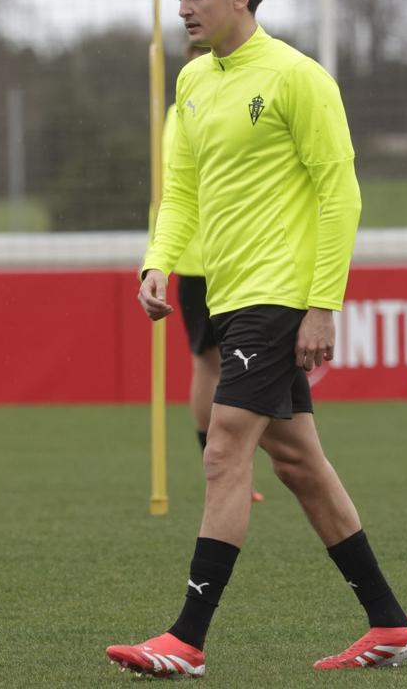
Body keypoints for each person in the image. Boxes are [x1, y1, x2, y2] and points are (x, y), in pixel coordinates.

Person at [106, 0, 407, 678]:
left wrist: (323, 305)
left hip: (278, 298)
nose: (181, 8)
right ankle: (392, 625)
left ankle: (186, 639)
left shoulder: (297, 78)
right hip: (219, 292)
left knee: (223, 453)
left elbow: (340, 193)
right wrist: (159, 261)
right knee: (299, 463)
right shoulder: (193, 83)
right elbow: (181, 190)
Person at [162, 42, 264, 503]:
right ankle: (220, 462)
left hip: (223, 258)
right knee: (216, 364)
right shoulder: (190, 111)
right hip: (210, 258)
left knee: (222, 364)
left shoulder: (199, 107)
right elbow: (182, 189)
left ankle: (227, 461)